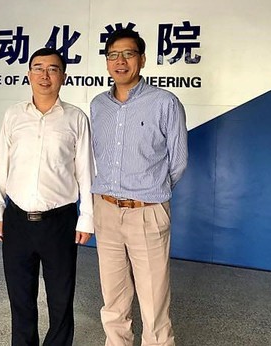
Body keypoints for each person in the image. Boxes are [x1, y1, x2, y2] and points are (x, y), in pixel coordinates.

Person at [0, 47, 94, 346]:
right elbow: (1, 164)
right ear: (28, 74)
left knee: (61, 297)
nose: (44, 75)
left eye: (52, 69)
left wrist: (87, 217)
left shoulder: (76, 118)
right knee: (20, 296)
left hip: (59, 221)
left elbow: (86, 171)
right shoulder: (14, 115)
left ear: (64, 76)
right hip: (17, 219)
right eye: (38, 68)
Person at [90, 28, 188, 346]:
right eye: (113, 55)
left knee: (154, 301)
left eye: (128, 54)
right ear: (107, 62)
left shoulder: (164, 103)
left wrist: (151, 193)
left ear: (142, 59)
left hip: (147, 212)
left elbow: (178, 161)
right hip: (105, 210)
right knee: (113, 298)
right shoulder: (98, 105)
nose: (120, 61)